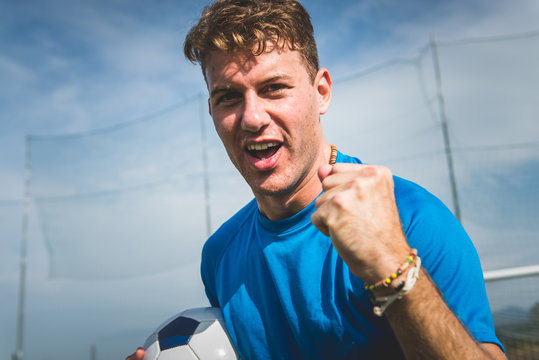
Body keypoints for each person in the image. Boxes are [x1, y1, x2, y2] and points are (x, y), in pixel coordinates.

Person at [128, 0, 506, 358]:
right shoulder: (219, 254)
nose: (252, 117)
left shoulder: (410, 217)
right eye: (228, 97)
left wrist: (394, 270)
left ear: (321, 92)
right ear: (212, 111)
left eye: (273, 88)